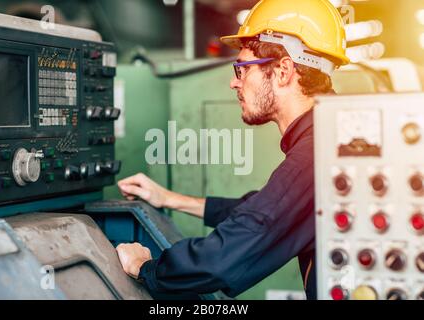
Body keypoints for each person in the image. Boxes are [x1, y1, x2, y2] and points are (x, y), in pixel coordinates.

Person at [116, 0, 349, 300]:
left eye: (241, 69)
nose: (232, 83)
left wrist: (145, 267)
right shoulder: (332, 138)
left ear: (283, 71)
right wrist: (170, 199)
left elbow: (223, 257)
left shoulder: (315, 154)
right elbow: (263, 208)